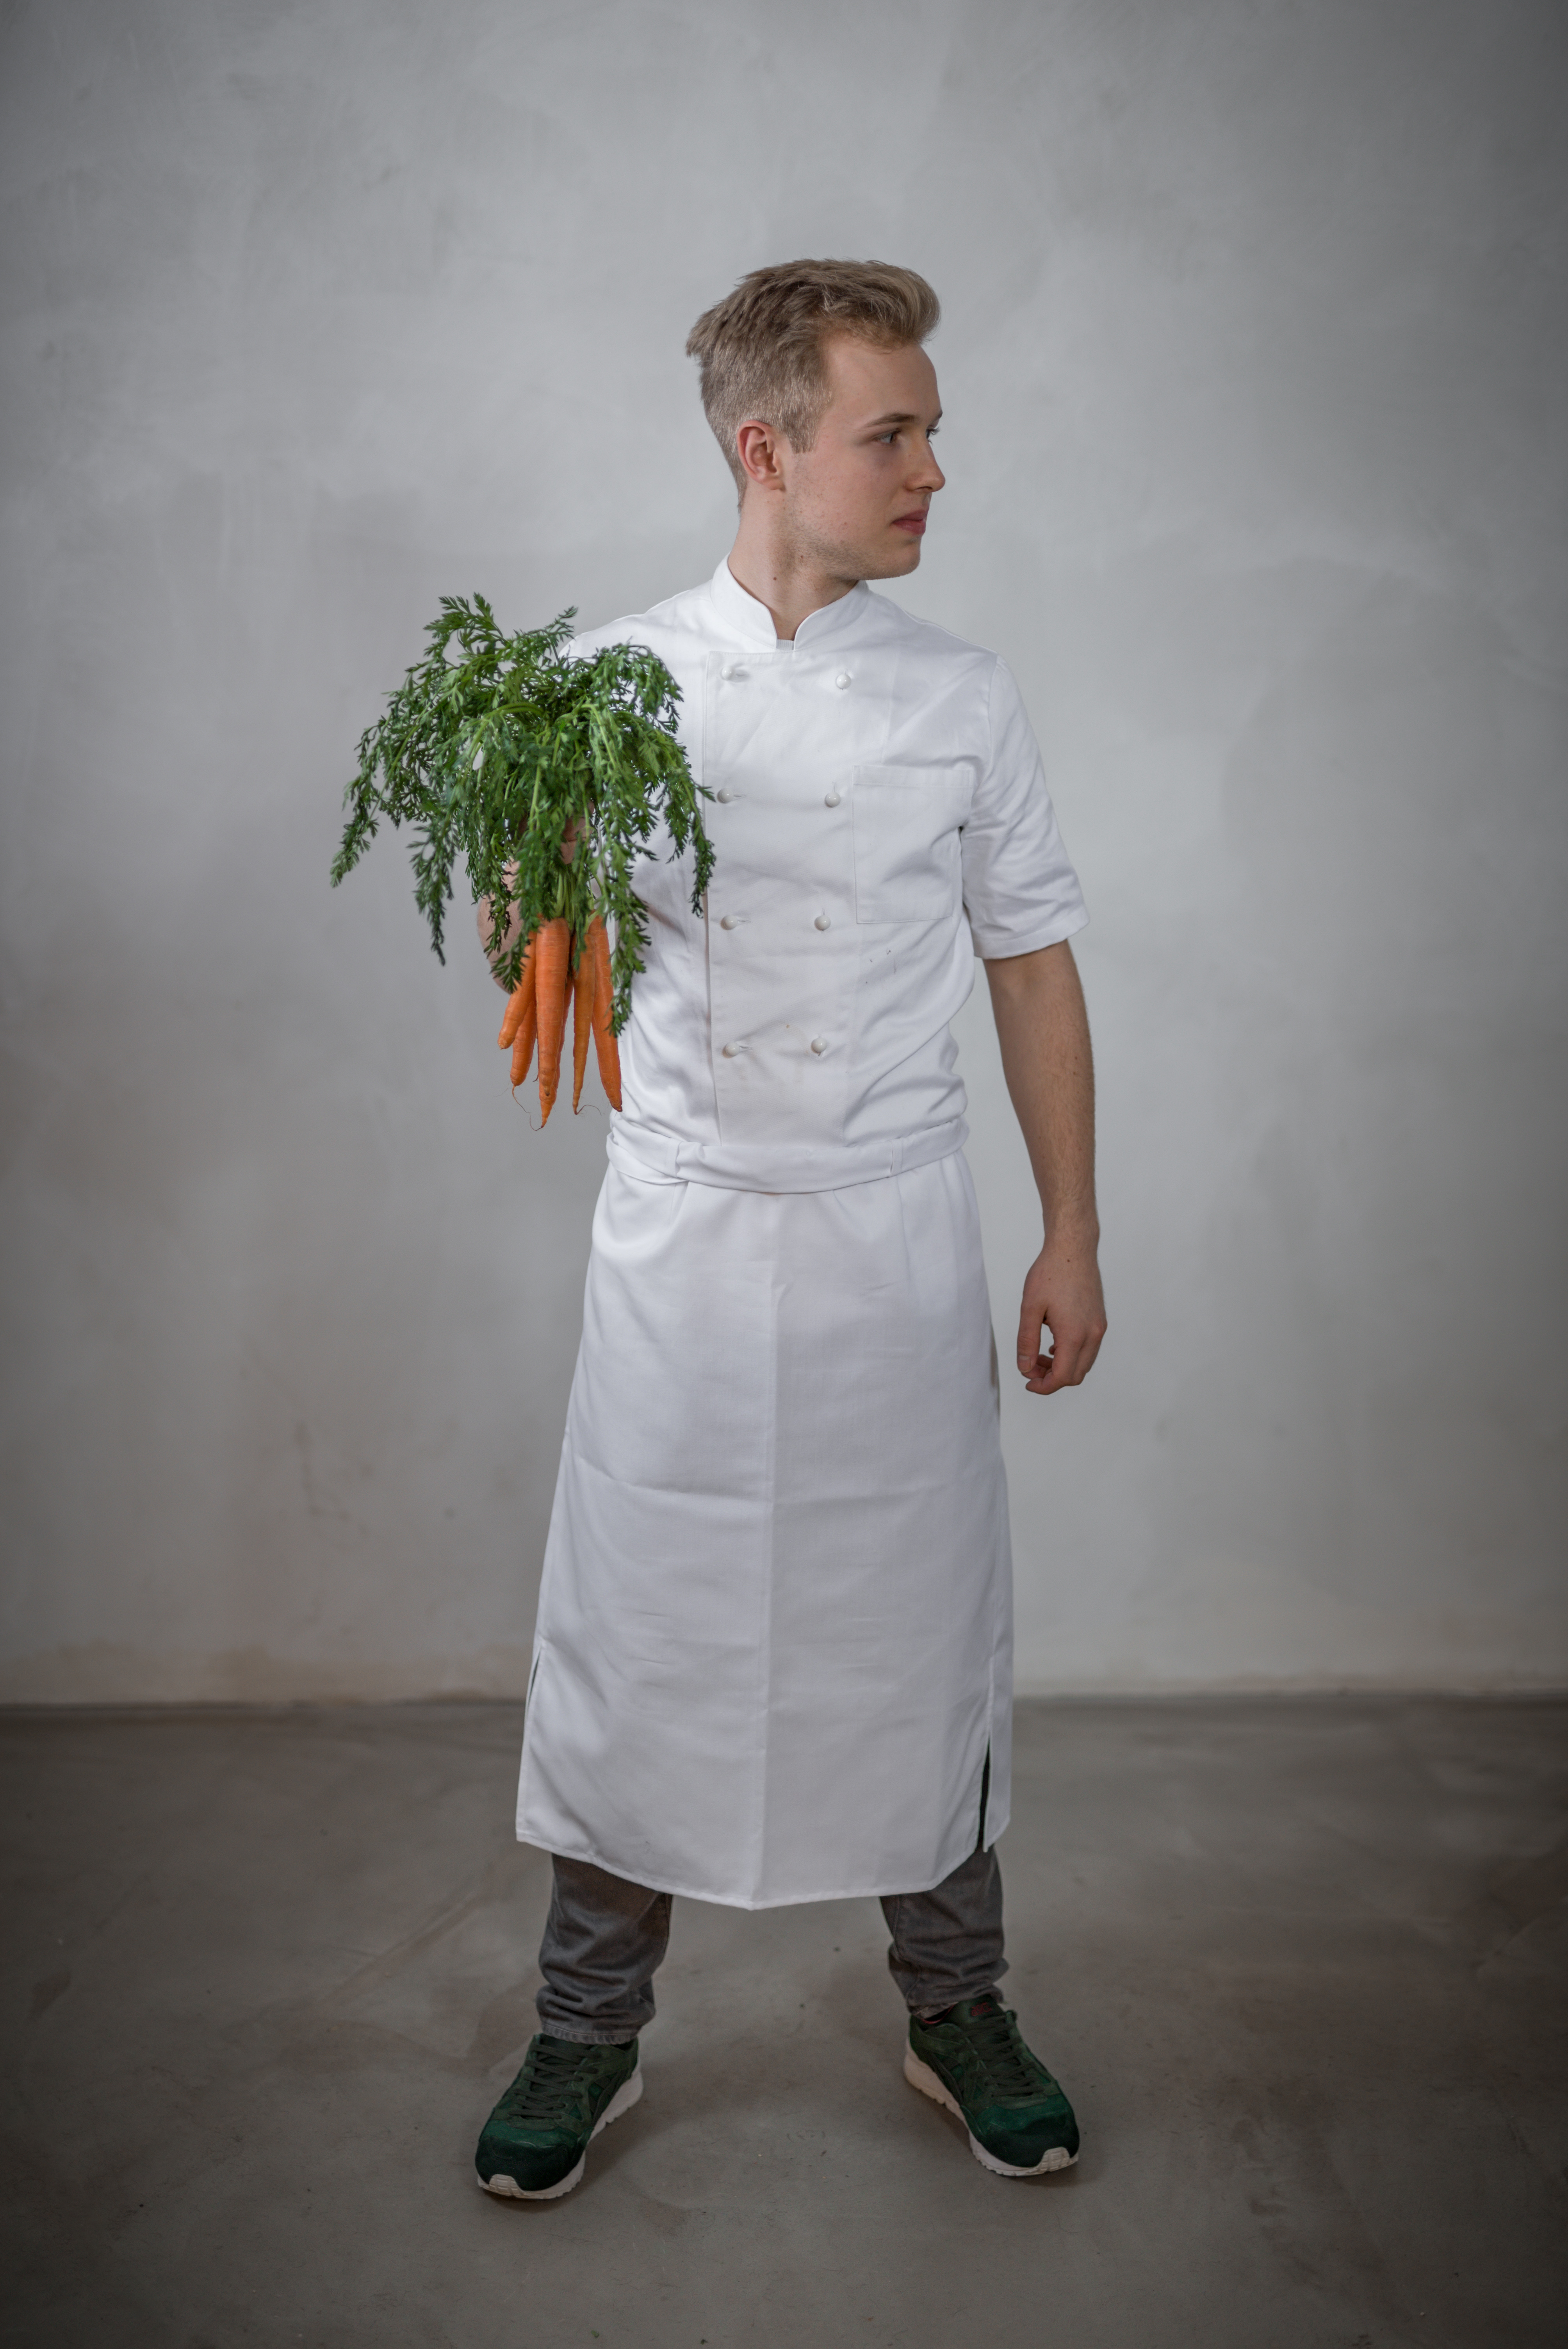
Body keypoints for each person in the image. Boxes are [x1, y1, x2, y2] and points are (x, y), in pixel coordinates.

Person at [473, 260, 1106, 2201]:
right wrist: (523, 888)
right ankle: (586, 2027)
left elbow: (1029, 966)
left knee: (919, 1640)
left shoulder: (961, 696)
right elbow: (537, 966)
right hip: (683, 1246)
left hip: (888, 1240)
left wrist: (1068, 1234)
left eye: (926, 431)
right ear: (767, 449)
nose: (931, 470)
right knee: (639, 1641)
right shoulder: (604, 687)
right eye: (889, 434)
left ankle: (956, 2006)